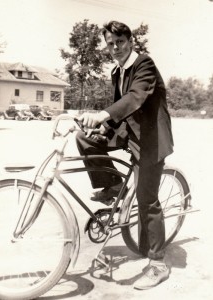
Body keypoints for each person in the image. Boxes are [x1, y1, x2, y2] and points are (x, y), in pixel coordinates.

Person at [76, 20, 174, 289]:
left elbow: (135, 98)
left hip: (150, 139)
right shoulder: (116, 71)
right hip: (128, 132)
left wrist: (103, 114)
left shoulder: (144, 64)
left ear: (130, 41)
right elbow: (121, 111)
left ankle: (157, 263)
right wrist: (102, 126)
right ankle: (113, 185)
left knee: (147, 200)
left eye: (120, 42)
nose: (115, 48)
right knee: (84, 138)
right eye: (110, 44)